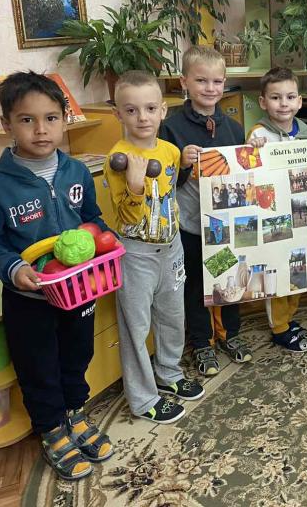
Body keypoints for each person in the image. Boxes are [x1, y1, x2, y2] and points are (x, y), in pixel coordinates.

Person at [0, 72, 113, 481]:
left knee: (77, 355)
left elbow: (92, 220)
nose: (41, 129)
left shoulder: (77, 172)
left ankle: (74, 413)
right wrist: (14, 268)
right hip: (29, 300)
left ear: (65, 119)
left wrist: (107, 240)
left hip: (80, 290)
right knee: (39, 366)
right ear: (7, 124)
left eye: (51, 118)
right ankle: (50, 429)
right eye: (27, 120)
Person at [104, 71, 204, 424]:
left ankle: (169, 372)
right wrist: (134, 186)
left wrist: (186, 163)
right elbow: (127, 216)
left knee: (172, 316)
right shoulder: (117, 158)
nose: (142, 118)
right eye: (131, 110)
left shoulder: (170, 151)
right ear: (118, 114)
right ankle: (143, 397)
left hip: (171, 248)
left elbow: (170, 194)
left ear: (162, 110)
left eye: (149, 108)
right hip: (136, 254)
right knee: (136, 326)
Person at [160, 46, 252, 376]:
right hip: (190, 226)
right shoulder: (170, 128)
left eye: (217, 81)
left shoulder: (234, 128)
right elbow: (163, 182)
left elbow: (244, 176)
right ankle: (202, 341)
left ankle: (230, 334)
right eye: (201, 80)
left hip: (225, 226)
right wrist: (183, 164)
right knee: (196, 284)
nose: (210, 88)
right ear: (184, 81)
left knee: (228, 278)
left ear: (225, 83)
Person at [247, 67, 307, 353]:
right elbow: (247, 168)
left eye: (289, 97)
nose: (283, 103)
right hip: (273, 217)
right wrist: (252, 148)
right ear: (263, 102)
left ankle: (288, 318)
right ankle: (279, 328)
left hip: (300, 213)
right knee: (276, 270)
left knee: (298, 269)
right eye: (276, 97)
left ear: (299, 101)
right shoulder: (258, 133)